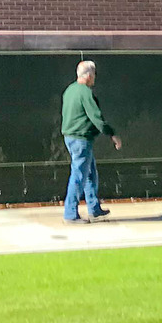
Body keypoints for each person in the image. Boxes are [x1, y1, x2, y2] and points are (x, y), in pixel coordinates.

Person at [60, 59, 121, 222]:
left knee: (89, 173)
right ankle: (70, 214)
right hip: (81, 139)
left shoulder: (70, 90)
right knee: (79, 175)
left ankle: (94, 208)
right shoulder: (85, 92)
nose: (94, 77)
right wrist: (112, 134)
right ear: (87, 75)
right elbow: (96, 117)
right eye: (93, 74)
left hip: (70, 137)